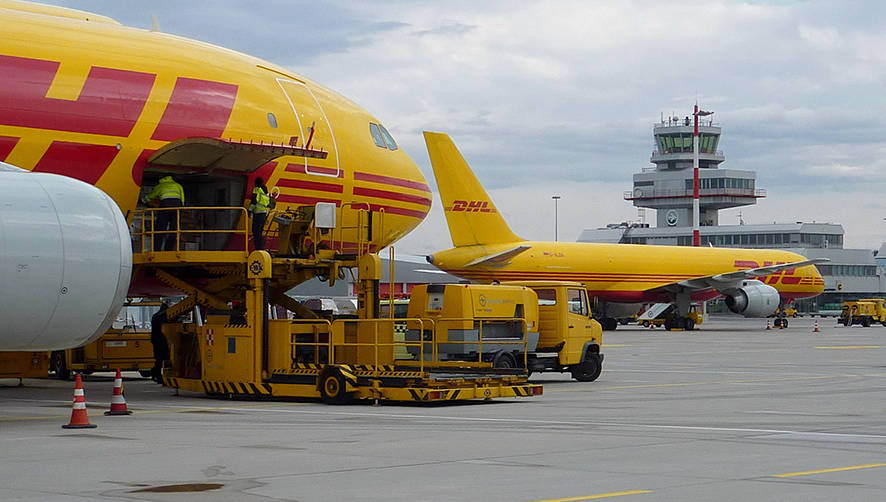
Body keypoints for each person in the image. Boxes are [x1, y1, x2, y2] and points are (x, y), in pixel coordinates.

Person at [142, 175, 185, 251]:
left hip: (166, 205)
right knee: (174, 229)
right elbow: (182, 199)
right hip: (177, 206)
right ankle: (168, 249)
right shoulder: (178, 185)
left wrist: (142, 200)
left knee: (160, 229)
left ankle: (157, 249)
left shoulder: (160, 186)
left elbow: (151, 196)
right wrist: (181, 208)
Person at [248, 177, 271, 250]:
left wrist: (249, 210)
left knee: (255, 231)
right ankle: (260, 248)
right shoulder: (265, 191)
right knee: (259, 232)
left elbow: (254, 202)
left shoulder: (257, 189)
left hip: (257, 214)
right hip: (263, 213)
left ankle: (258, 248)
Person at [150, 303, 170, 383]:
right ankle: (158, 375)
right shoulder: (161, 316)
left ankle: (155, 374)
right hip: (161, 340)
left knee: (158, 360)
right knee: (164, 358)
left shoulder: (155, 316)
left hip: (156, 340)